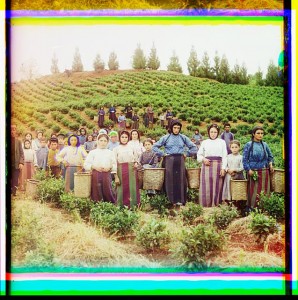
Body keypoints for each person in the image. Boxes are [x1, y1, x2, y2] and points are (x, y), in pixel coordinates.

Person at [152, 119, 197, 207]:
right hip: (169, 161)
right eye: (174, 127)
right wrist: (163, 154)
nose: (176, 129)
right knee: (169, 181)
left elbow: (194, 148)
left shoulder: (183, 137)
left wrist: (186, 154)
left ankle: (181, 201)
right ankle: (170, 201)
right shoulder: (166, 137)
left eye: (178, 128)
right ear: (171, 128)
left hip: (180, 161)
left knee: (181, 180)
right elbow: (154, 147)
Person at [242, 126, 274, 210]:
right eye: (258, 133)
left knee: (265, 191)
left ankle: (264, 209)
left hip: (264, 171)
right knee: (253, 192)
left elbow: (270, 156)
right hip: (253, 172)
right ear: (253, 134)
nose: (260, 135)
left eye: (262, 133)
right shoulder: (248, 145)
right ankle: (252, 209)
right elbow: (244, 159)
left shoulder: (265, 144)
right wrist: (248, 169)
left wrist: (270, 164)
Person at [197, 123, 228, 207]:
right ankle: (205, 205)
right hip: (207, 166)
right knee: (206, 186)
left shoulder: (222, 142)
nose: (213, 134)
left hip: (218, 166)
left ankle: (216, 205)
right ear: (208, 132)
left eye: (215, 132)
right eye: (211, 132)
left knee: (217, 186)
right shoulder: (205, 142)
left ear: (218, 133)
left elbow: (225, 156)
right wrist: (203, 159)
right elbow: (199, 155)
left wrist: (223, 168)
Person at [84, 133, 117, 203]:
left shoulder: (110, 153)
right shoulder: (93, 152)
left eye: (105, 141)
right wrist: (94, 167)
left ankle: (109, 206)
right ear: (98, 141)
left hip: (106, 175)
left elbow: (114, 165)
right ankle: (97, 206)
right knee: (96, 192)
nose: (103, 143)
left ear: (108, 142)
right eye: (101, 140)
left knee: (107, 191)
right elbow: (86, 164)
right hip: (95, 174)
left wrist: (109, 167)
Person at [113, 130, 140, 209]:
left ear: (128, 138)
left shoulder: (131, 148)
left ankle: (133, 206)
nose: (124, 139)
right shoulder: (116, 149)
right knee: (121, 189)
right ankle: (120, 207)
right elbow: (114, 163)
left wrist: (135, 163)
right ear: (119, 138)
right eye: (122, 137)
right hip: (121, 171)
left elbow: (136, 159)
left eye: (126, 137)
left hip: (131, 171)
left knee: (132, 188)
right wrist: (116, 176)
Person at [11, 124, 24, 196]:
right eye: (11, 129)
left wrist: (21, 162)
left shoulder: (18, 142)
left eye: (14, 129)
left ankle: (14, 192)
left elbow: (22, 153)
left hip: (16, 164)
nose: (13, 131)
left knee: (15, 179)